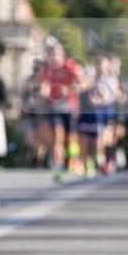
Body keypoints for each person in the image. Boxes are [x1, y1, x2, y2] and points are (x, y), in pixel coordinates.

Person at [38, 40, 83, 180]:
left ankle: (73, 161)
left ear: (62, 54)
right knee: (57, 136)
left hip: (70, 107)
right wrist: (43, 91)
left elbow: (82, 83)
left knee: (71, 138)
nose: (54, 57)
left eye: (56, 53)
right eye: (51, 54)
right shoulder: (46, 69)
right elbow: (43, 85)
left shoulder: (70, 66)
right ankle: (58, 164)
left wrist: (68, 90)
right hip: (54, 107)